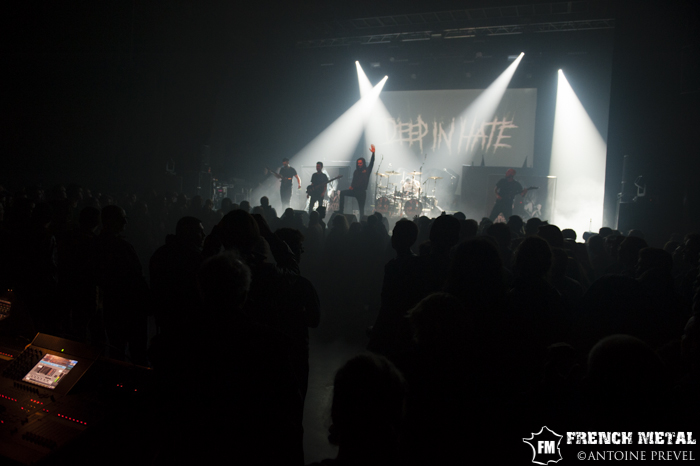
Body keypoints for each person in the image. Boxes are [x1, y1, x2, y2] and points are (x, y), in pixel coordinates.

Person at [338, 144, 375, 219]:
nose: (359, 164)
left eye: (360, 163)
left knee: (361, 209)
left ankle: (361, 221)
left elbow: (372, 163)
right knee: (342, 193)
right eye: (358, 163)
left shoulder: (367, 170)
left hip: (361, 193)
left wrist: (373, 153)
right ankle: (341, 211)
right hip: (354, 191)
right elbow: (354, 180)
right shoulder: (356, 171)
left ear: (363, 163)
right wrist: (351, 186)